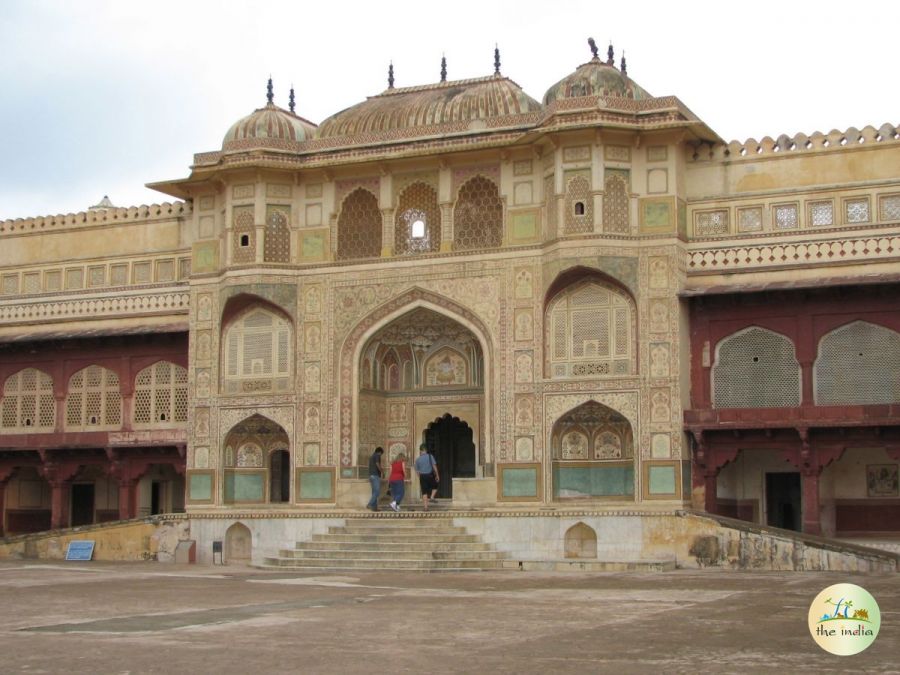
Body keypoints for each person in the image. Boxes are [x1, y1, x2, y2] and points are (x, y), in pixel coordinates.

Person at [414, 444, 439, 511]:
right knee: (435, 486)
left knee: (424, 492)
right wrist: (437, 475)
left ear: (421, 450)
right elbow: (434, 467)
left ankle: (425, 507)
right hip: (430, 475)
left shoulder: (417, 460)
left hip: (422, 476)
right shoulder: (430, 456)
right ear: (426, 450)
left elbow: (417, 471)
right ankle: (432, 497)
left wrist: (420, 477)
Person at [366, 447, 384, 511]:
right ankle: (370, 504)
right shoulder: (377, 455)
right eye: (381, 454)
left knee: (374, 492)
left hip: (371, 476)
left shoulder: (372, 456)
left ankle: (374, 507)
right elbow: (377, 464)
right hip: (375, 475)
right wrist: (382, 471)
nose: (380, 455)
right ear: (379, 452)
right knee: (377, 492)